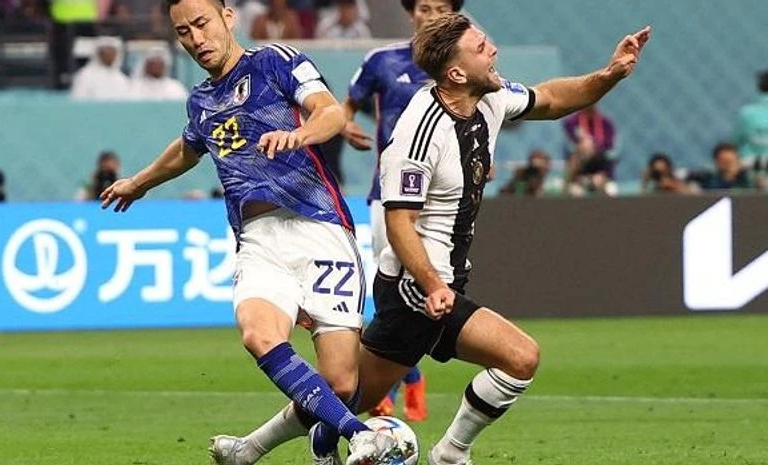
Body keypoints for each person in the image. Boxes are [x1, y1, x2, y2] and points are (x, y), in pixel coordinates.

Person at [212, 12, 651, 465]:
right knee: (520, 358)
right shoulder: (419, 134)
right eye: (481, 47)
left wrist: (610, 74)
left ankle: (250, 449)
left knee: (349, 393)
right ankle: (450, 454)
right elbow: (399, 222)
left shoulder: (490, 96)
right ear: (456, 73)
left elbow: (553, 98)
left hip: (439, 282)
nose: (494, 50)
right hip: (416, 287)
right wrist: (432, 285)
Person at [99, 1, 403, 465]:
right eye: (183, 32)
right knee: (259, 335)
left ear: (228, 17)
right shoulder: (201, 101)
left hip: (320, 226)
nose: (196, 39)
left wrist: (298, 135)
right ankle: (361, 435)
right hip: (259, 239)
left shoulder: (275, 61)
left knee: (340, 384)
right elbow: (187, 148)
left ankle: (256, 449)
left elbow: (329, 112)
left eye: (201, 24)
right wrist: (139, 183)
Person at [340, 0, 465, 424]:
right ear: (412, 13)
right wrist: (344, 123)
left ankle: (397, 381)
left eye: (441, 8)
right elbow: (347, 105)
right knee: (389, 288)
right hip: (391, 195)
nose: (432, 16)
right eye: (424, 8)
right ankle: (402, 380)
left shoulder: (464, 66)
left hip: (444, 199)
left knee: (431, 289)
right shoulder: (382, 60)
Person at [69, 36, 131, 101]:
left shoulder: (121, 78)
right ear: (98, 54)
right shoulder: (85, 76)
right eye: (106, 53)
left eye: (112, 53)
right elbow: (78, 100)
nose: (110, 56)